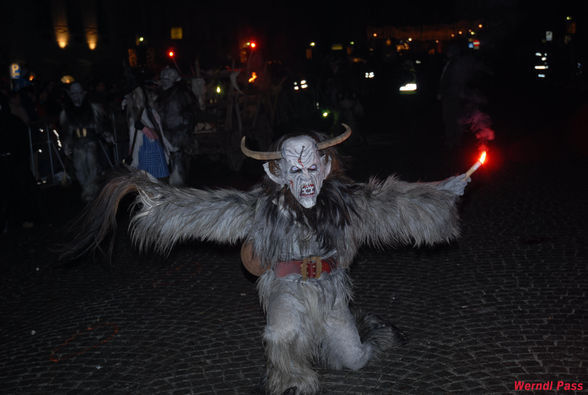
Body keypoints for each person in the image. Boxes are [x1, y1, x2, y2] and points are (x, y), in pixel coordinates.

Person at [61, 124, 472, 394]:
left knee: (354, 361)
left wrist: (443, 191)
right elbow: (205, 209)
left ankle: (371, 330)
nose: (306, 179)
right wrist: (156, 196)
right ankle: (290, 379)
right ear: (279, 174)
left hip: (330, 289)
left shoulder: (349, 202)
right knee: (279, 335)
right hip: (287, 287)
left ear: (325, 165)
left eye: (312, 167)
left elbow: (396, 201)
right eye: (296, 171)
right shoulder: (261, 207)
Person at [60, 82, 113, 202]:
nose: (76, 96)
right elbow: (66, 132)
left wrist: (106, 135)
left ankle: (91, 193)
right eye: (73, 94)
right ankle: (87, 190)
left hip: (91, 143)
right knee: (79, 169)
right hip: (77, 146)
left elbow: (100, 126)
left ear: (83, 94)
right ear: (70, 95)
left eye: (78, 93)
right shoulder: (66, 113)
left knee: (92, 165)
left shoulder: (93, 109)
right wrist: (66, 144)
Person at [154, 66, 197, 186]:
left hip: (178, 134)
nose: (164, 81)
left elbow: (191, 113)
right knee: (168, 162)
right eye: (163, 78)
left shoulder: (182, 93)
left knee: (178, 161)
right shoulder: (162, 94)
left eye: (167, 79)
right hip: (165, 133)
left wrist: (184, 129)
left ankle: (179, 187)